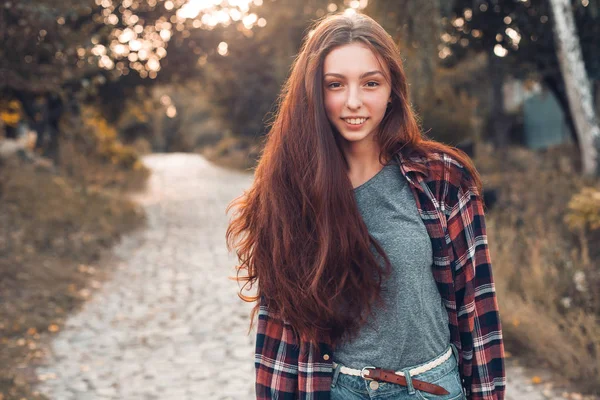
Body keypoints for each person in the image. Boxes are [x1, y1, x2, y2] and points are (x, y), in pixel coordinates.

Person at [226, 12, 505, 400]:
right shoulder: (287, 190)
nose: (353, 102)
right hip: (337, 389)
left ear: (392, 89)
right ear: (313, 92)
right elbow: (279, 333)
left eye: (371, 83)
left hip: (429, 388)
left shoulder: (442, 180)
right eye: (335, 85)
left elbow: (477, 308)